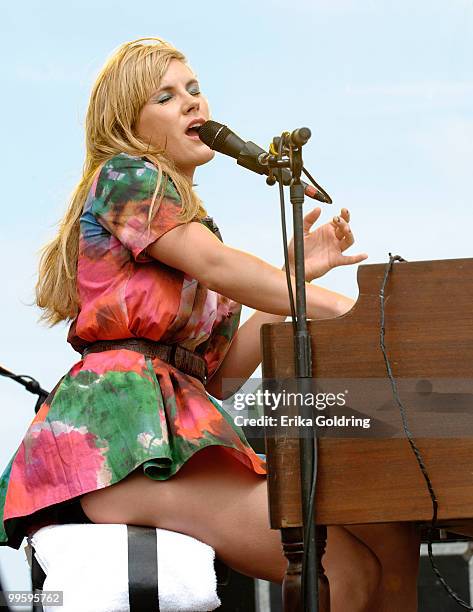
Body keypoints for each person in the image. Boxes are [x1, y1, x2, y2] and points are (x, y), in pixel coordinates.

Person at [0, 37, 419, 610]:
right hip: (120, 447)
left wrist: (292, 279)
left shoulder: (189, 228)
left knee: (385, 537)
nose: (192, 103)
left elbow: (215, 376)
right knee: (340, 570)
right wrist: (354, 312)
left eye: (195, 90)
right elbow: (220, 267)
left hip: (167, 435)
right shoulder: (127, 177)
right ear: (130, 124)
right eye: (167, 96)